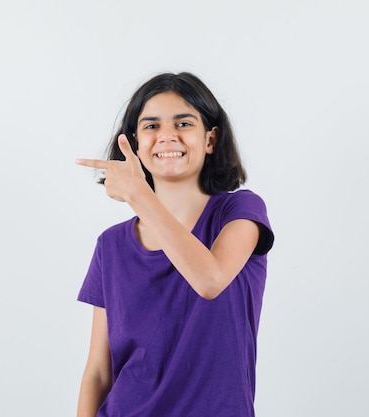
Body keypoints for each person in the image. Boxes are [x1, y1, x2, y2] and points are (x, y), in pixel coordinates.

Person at [74, 72, 274, 417]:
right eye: (151, 127)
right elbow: (98, 371)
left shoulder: (240, 211)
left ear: (210, 139)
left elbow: (209, 279)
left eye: (183, 123)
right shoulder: (111, 245)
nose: (167, 136)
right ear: (135, 143)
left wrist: (138, 195)